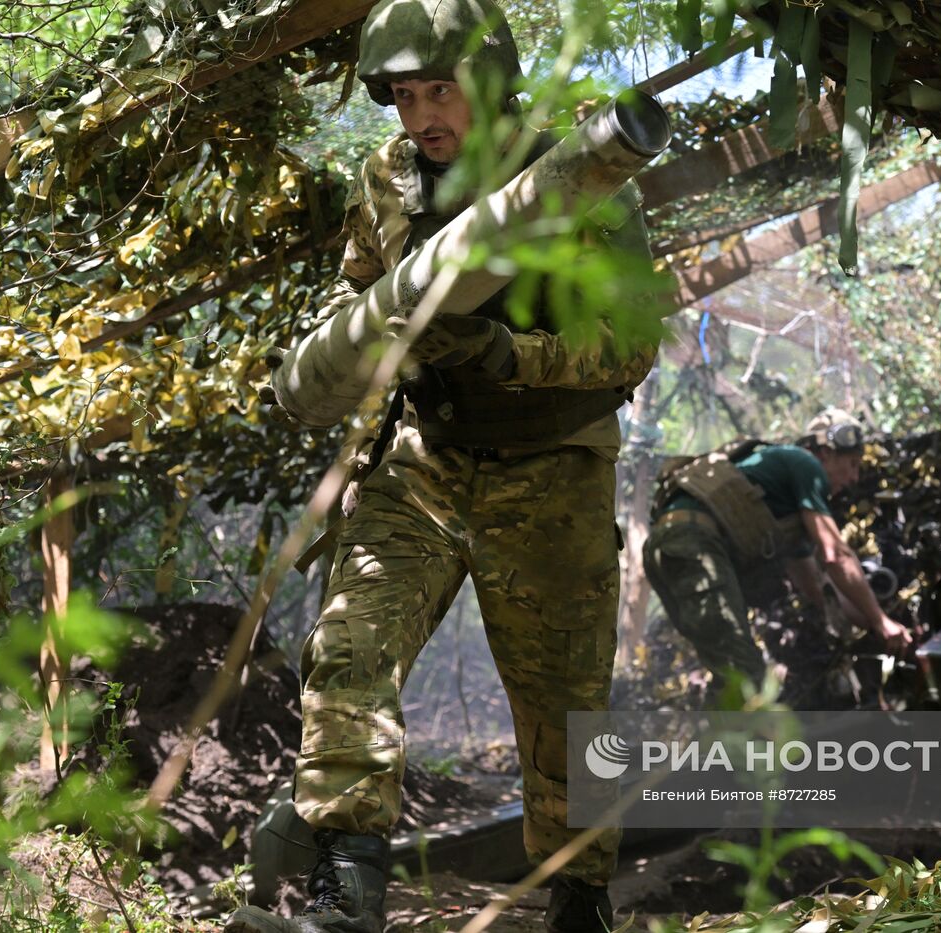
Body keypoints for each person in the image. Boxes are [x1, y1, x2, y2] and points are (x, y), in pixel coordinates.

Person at [225, 0, 661, 931]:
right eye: (404, 95)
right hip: (426, 456)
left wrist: (511, 355)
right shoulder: (387, 179)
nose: (422, 115)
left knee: (570, 708)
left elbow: (631, 344)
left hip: (553, 467)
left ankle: (581, 897)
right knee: (349, 645)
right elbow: (362, 298)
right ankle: (348, 889)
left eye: (442, 91)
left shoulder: (578, 175)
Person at [641, 408, 912, 702]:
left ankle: (724, 742)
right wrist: (882, 621)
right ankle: (735, 747)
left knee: (731, 672)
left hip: (668, 549)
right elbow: (836, 555)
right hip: (693, 545)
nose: (854, 477)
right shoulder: (806, 465)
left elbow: (817, 589)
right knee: (745, 677)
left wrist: (871, 622)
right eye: (852, 464)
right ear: (824, 453)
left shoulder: (784, 501)